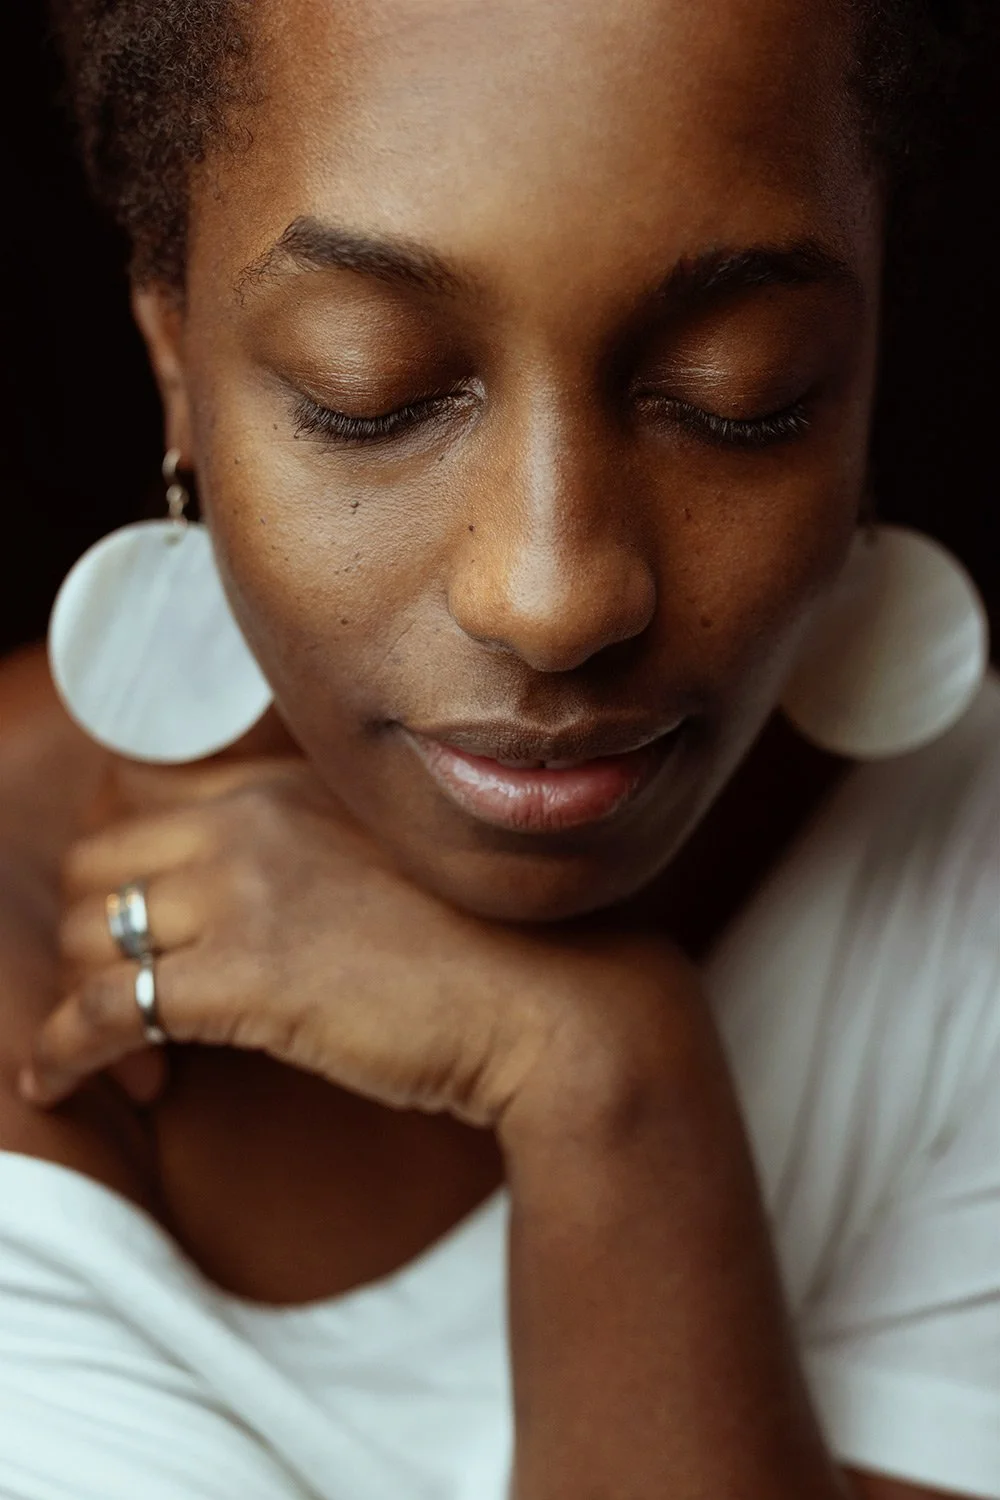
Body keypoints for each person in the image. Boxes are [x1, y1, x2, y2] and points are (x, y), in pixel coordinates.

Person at [0, 0, 996, 1496]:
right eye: (372, 394)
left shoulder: (965, 856)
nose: (554, 596)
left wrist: (608, 1091)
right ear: (178, 366)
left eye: (740, 396)